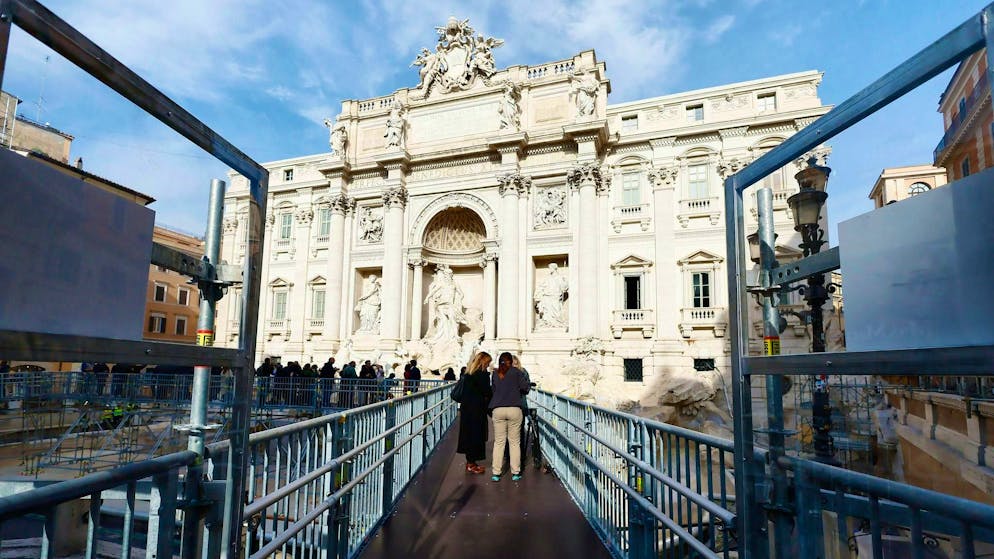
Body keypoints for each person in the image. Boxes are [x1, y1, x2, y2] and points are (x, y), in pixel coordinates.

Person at [489, 351, 530, 482]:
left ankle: (496, 472)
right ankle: (515, 472)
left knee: (499, 442)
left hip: (498, 409)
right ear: (511, 362)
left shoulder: (495, 373)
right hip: (514, 408)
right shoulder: (517, 372)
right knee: (514, 442)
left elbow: (494, 390)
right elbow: (525, 388)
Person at [458, 352, 493, 475]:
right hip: (477, 410)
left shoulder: (468, 374)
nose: (488, 365)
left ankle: (470, 462)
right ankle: (472, 464)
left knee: (468, 435)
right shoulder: (482, 375)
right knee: (476, 436)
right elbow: (487, 392)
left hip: (467, 409)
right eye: (488, 362)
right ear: (483, 362)